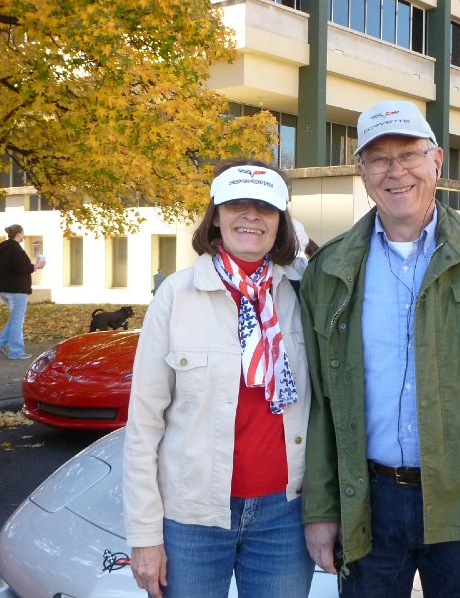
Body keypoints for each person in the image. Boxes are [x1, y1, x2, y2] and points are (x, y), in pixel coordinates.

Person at [300, 100, 460, 598]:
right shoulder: (330, 271)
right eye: (379, 159)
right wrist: (321, 509)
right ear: (363, 173)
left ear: (436, 161)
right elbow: (319, 409)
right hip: (367, 505)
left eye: (409, 155)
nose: (396, 171)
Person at [123, 160, 314, 598]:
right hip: (192, 517)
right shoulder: (177, 294)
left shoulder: (304, 289)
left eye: (265, 207)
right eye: (237, 204)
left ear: (283, 221)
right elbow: (144, 424)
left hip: (284, 515)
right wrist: (144, 534)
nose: (251, 216)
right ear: (216, 215)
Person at [0, 224, 45, 359]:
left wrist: (33, 266)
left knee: (15, 318)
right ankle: (16, 352)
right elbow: (22, 268)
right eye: (23, 233)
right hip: (16, 290)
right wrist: (37, 266)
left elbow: (14, 268)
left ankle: (1, 341)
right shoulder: (16, 250)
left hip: (4, 289)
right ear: (18, 233)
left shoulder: (4, 249)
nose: (24, 235)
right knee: (18, 321)